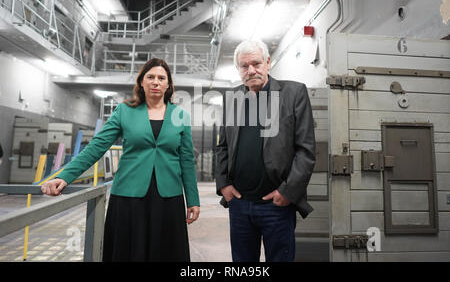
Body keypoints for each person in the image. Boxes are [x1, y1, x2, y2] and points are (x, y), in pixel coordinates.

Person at [41, 58, 200, 262]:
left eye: (161, 78)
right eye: (150, 77)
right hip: (129, 196)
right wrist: (64, 176)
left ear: (168, 84)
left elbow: (186, 160)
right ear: (141, 82)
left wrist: (193, 200)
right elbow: (97, 146)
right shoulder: (124, 111)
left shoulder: (181, 116)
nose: (156, 82)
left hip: (168, 198)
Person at [215, 40, 316, 262]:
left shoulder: (294, 93)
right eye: (244, 66)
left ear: (268, 62)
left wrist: (287, 193)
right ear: (239, 70)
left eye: (256, 63)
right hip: (239, 204)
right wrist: (223, 184)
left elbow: (305, 151)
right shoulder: (233, 98)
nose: (251, 70)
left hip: (277, 205)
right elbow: (223, 146)